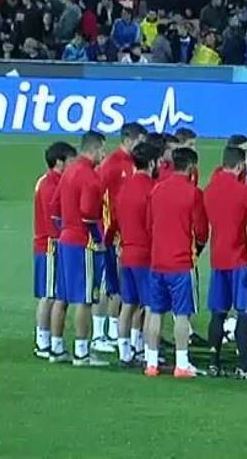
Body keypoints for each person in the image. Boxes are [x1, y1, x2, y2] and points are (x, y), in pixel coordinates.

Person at [144, 148, 209, 378]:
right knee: (182, 315)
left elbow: (149, 225)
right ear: (191, 167)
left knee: (155, 312)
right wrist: (197, 250)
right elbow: (201, 232)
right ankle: (182, 364)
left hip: (157, 262)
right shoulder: (193, 194)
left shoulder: (157, 189)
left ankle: (151, 363)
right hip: (182, 263)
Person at [49, 131, 109, 366]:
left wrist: (65, 229)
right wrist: (98, 239)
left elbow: (54, 209)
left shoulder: (68, 172)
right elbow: (87, 215)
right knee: (84, 300)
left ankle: (56, 349)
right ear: (93, 150)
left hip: (65, 241)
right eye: (103, 150)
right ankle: (82, 353)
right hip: (83, 244)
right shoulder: (91, 178)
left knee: (61, 297)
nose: (104, 155)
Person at [203, 146, 247, 379]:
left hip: (218, 258)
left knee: (218, 313)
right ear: (239, 166)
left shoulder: (209, 190)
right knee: (244, 312)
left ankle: (214, 362)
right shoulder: (244, 192)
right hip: (241, 259)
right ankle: (243, 366)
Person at [94, 122, 147, 353]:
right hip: (109, 234)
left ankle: (115, 331)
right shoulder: (113, 164)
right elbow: (99, 197)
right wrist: (105, 231)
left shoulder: (130, 164)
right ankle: (98, 334)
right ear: (129, 140)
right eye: (140, 142)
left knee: (118, 286)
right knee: (107, 284)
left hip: (123, 232)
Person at [114, 142, 158, 367]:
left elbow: (115, 219)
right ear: (152, 163)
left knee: (128, 304)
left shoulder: (124, 187)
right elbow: (153, 225)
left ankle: (125, 351)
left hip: (126, 252)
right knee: (151, 306)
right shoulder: (152, 189)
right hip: (146, 254)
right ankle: (149, 354)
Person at [33, 142, 76, 359]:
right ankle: (43, 342)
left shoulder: (51, 181)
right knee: (49, 295)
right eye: (70, 160)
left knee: (54, 294)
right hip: (50, 244)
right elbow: (53, 220)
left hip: (52, 243)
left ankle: (48, 340)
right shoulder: (50, 184)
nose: (73, 164)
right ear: (60, 162)